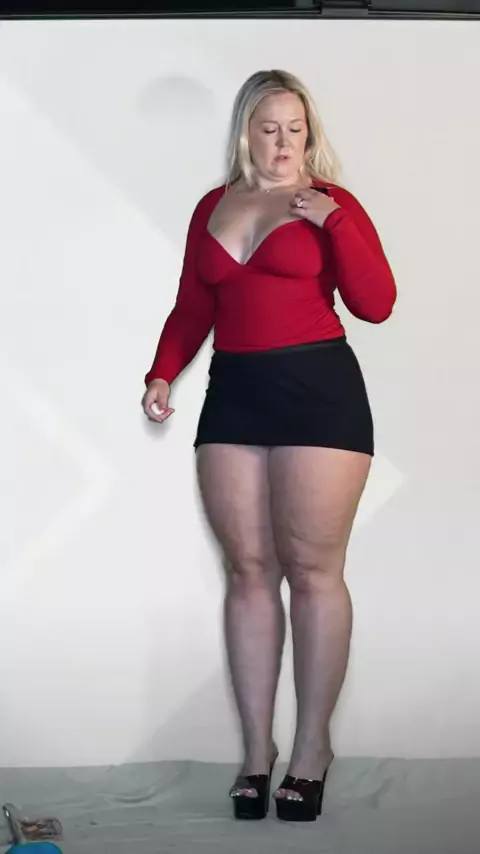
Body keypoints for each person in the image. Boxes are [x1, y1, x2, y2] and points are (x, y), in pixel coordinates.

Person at [142, 69, 396, 823]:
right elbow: (193, 306)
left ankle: (312, 750)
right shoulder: (213, 206)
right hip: (235, 394)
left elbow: (377, 304)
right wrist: (162, 372)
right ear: (245, 134)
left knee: (313, 571)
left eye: (294, 129)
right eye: (268, 129)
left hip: (319, 392)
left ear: (309, 134)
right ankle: (258, 753)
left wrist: (334, 223)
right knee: (249, 571)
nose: (282, 144)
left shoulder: (332, 203)